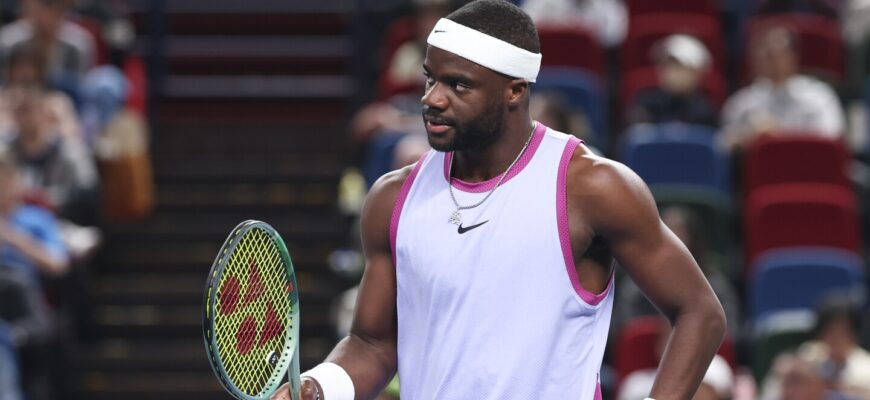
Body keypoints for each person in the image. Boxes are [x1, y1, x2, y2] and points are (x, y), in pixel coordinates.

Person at [273, 1, 726, 399]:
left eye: (458, 85)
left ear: (515, 90)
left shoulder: (592, 187)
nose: (432, 99)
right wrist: (318, 387)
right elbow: (372, 344)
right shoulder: (392, 198)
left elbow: (700, 312)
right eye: (430, 79)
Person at [720, 25, 845, 151]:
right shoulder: (742, 102)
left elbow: (832, 138)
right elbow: (724, 144)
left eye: (777, 54)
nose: (771, 60)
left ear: (794, 57)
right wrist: (749, 137)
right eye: (766, 53)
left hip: (808, 160)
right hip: (763, 162)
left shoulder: (819, 96)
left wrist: (779, 135)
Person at [7, 84, 99, 225]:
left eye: (28, 110)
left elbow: (88, 196)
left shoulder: (71, 152)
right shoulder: (5, 153)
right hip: (13, 226)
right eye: (19, 110)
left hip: (63, 226)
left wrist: (46, 199)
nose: (24, 118)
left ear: (44, 111)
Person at [625, 34, 719, 128]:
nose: (670, 73)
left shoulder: (705, 112)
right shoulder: (645, 104)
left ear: (697, 73)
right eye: (667, 65)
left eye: (678, 67)